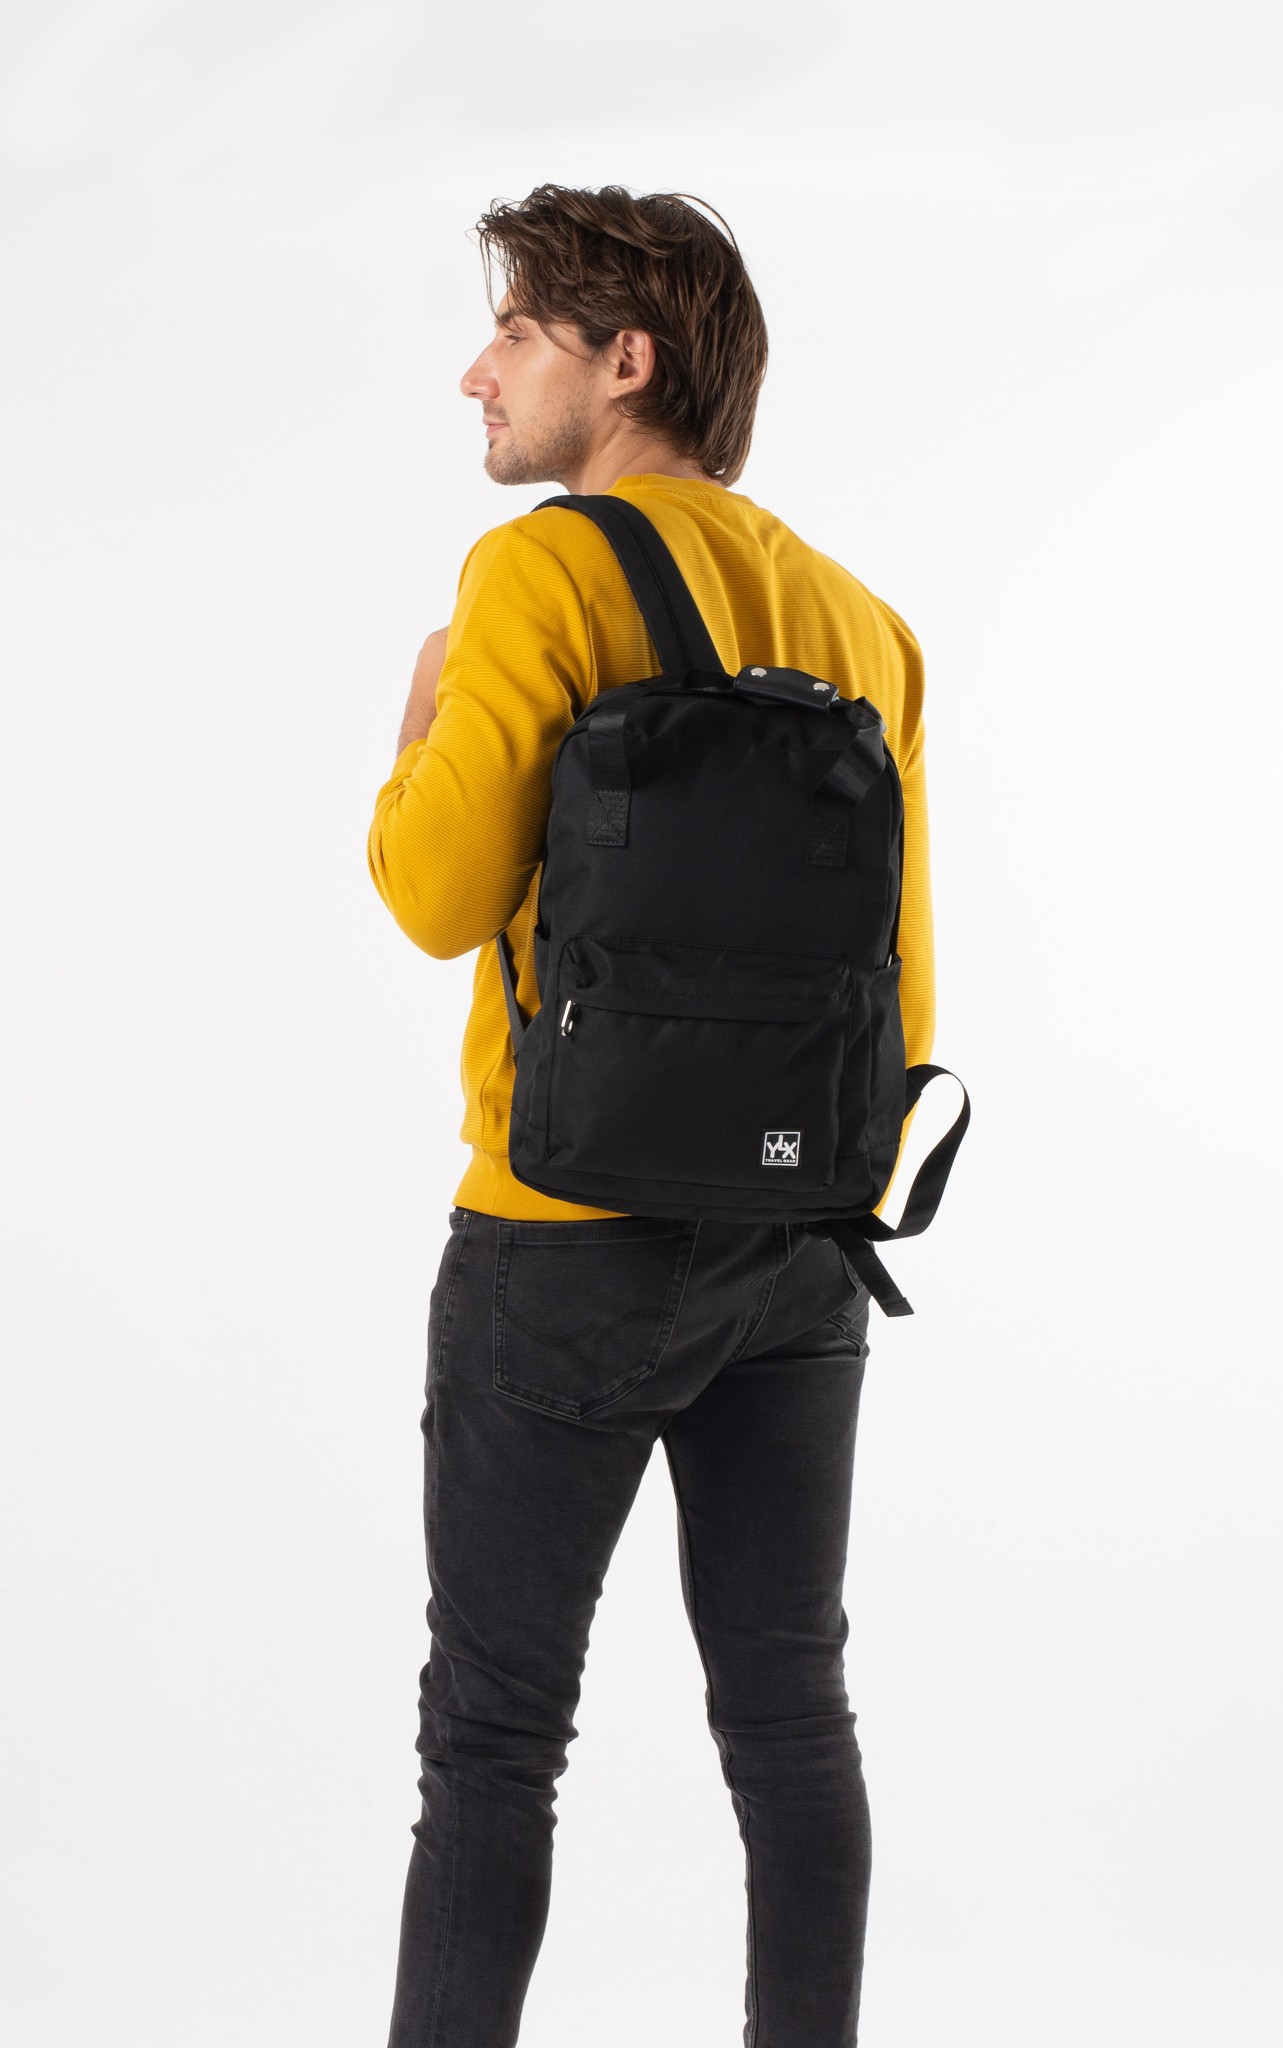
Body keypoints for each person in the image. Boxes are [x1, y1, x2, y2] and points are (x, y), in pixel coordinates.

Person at [366, 182, 936, 2048]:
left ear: (628, 360)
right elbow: (902, 989)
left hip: (561, 1242)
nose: (476, 373)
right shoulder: (864, 624)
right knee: (791, 1714)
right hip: (802, 1247)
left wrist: (421, 717)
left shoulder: (538, 572)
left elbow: (437, 894)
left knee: (495, 1741)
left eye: (515, 334)